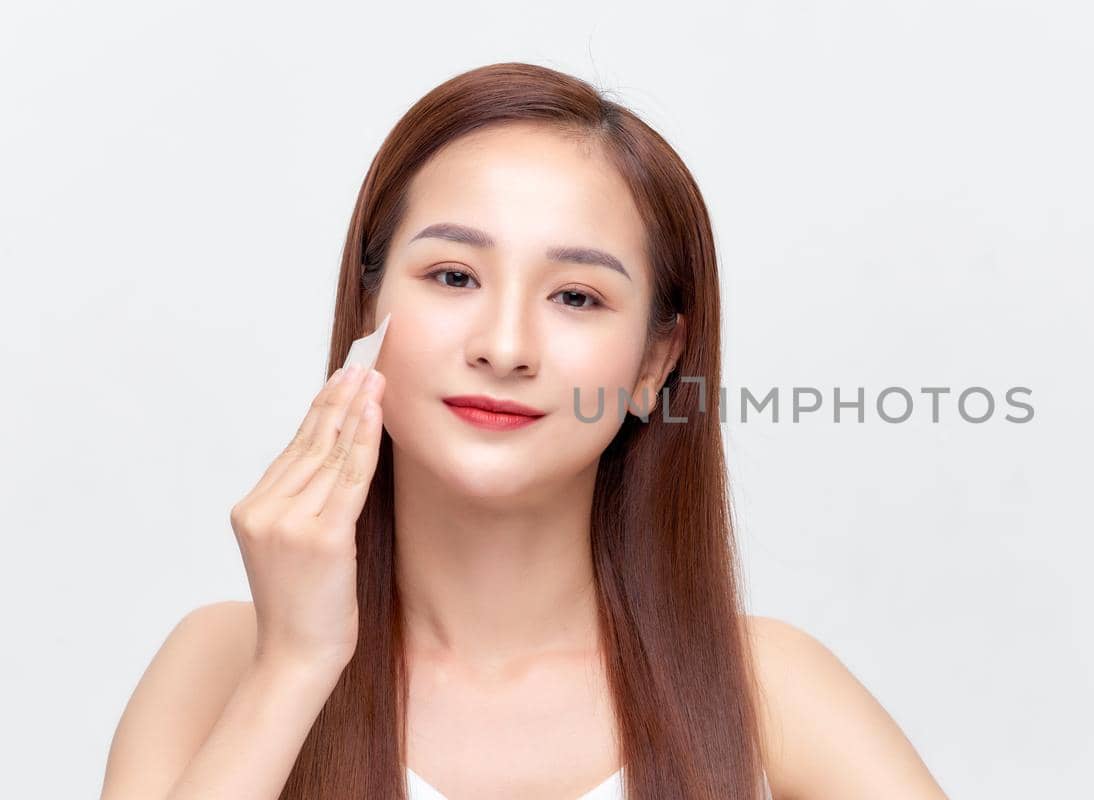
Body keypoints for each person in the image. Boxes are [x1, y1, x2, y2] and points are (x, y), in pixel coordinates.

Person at [99, 62, 948, 799]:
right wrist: (293, 666)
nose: (504, 348)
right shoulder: (221, 663)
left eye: (576, 296)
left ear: (655, 363)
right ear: (368, 309)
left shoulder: (768, 692)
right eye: (453, 275)